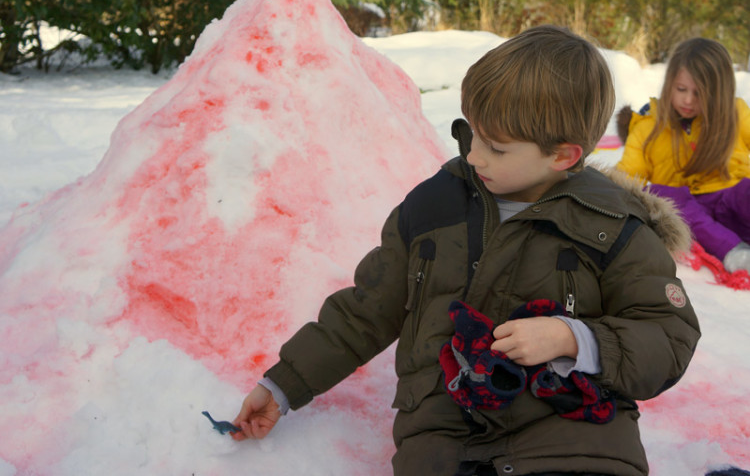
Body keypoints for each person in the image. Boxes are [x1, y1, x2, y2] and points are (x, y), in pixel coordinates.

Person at [232, 25, 701, 476]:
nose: (474, 155)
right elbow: (366, 310)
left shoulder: (612, 225)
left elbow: (668, 333)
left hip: (573, 435)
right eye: (472, 133)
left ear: (563, 156)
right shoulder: (435, 206)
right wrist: (285, 384)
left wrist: (571, 339)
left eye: (496, 147)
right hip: (444, 440)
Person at [616, 37, 750, 273]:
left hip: (731, 199)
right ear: (669, 84)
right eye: (681, 89)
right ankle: (736, 255)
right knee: (662, 196)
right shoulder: (648, 126)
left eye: (699, 93)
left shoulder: (735, 113)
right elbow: (625, 178)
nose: (688, 100)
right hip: (690, 214)